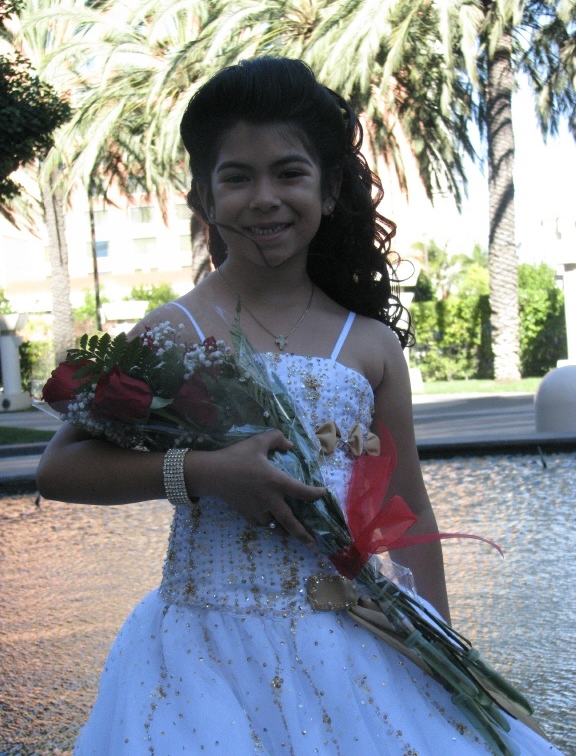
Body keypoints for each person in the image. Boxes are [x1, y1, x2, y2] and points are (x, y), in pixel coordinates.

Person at [36, 57, 561, 756]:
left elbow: (408, 512)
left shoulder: (369, 345)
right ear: (202, 197)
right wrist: (202, 471)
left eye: (289, 173)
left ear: (330, 188)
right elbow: (59, 468)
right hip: (201, 656)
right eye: (237, 177)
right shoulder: (174, 332)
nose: (264, 199)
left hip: (346, 641)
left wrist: (437, 646)